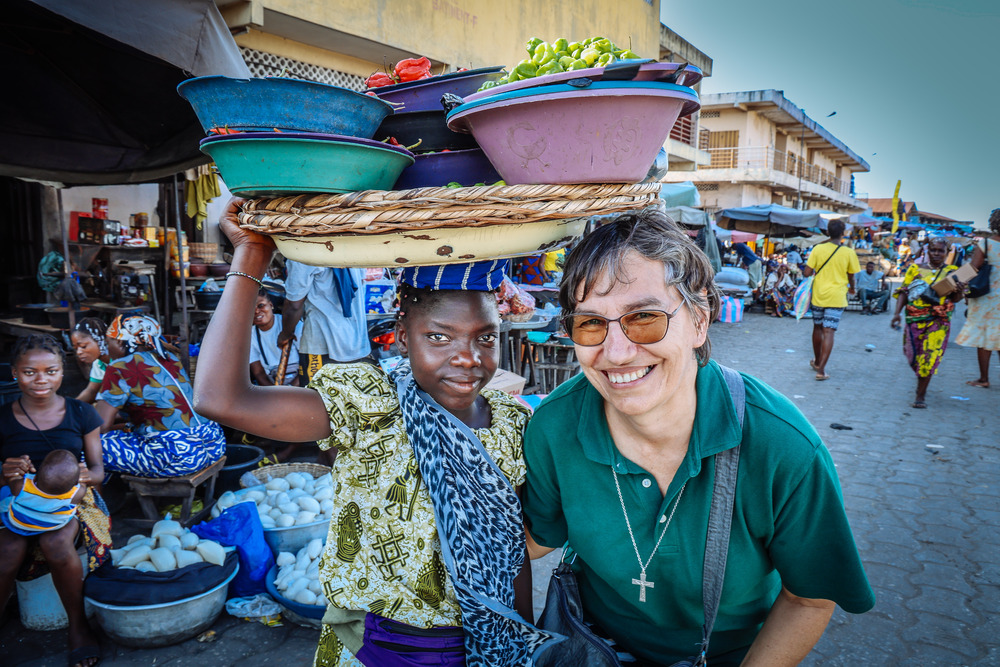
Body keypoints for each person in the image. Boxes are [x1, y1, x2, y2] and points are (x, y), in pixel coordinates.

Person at [193, 199, 547, 666]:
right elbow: (220, 399)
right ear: (402, 335)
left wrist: (519, 647)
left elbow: (511, 551)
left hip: (485, 646)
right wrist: (251, 256)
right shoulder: (369, 405)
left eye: (485, 337)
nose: (468, 357)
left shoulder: (511, 423)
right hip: (376, 647)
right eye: (439, 337)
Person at [522, 210, 874, 666]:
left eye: (644, 317)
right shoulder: (555, 425)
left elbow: (808, 598)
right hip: (591, 647)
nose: (617, 352)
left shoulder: (782, 447)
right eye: (590, 323)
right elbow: (535, 538)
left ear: (700, 320)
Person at [0, 334, 106, 667]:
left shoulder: (81, 413)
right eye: (29, 372)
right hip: (15, 498)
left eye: (51, 371)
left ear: (62, 372)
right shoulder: (2, 417)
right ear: (14, 373)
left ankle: (78, 626)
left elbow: (99, 471)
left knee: (56, 542)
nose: (41, 380)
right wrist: (5, 472)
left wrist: (85, 476)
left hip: (70, 499)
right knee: (7, 549)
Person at [95, 315, 225, 477]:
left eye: (109, 343)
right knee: (125, 434)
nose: (107, 349)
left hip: (178, 456)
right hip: (213, 444)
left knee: (90, 446)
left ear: (121, 342)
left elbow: (100, 427)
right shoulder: (170, 359)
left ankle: (97, 493)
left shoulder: (120, 367)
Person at [890, 238, 964, 408]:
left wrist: (959, 291)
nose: (936, 254)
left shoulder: (953, 272)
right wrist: (896, 314)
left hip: (939, 321)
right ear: (927, 251)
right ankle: (921, 380)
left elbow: (955, 299)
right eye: (933, 250)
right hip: (914, 319)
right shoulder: (915, 269)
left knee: (930, 356)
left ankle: (920, 395)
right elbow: (904, 292)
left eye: (940, 251)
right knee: (912, 355)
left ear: (947, 253)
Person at [278, 260, 369, 384]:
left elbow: (293, 305)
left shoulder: (301, 253)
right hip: (357, 344)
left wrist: (285, 334)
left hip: (322, 347)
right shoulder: (351, 249)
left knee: (316, 395)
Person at [802, 219, 860, 380]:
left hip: (819, 295)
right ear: (843, 233)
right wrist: (852, 288)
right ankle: (821, 370)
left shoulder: (818, 249)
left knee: (817, 327)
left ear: (827, 232)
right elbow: (851, 276)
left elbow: (807, 273)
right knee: (829, 331)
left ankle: (817, 361)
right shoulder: (849, 252)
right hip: (837, 296)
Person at [955, 208, 1000, 389]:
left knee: (984, 337)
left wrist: (953, 283)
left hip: (987, 299)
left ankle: (984, 379)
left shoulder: (986, 244)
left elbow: (971, 270)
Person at [2, 449, 85, 534]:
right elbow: (82, 485)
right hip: (53, 525)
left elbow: (11, 479)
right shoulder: (78, 493)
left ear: (35, 477)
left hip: (18, 522)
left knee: (5, 491)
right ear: (76, 482)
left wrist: (23, 471)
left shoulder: (21, 485)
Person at [250, 289, 302, 386]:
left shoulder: (292, 324)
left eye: (261, 305)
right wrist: (275, 393)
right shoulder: (250, 336)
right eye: (251, 308)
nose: (256, 311)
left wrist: (291, 389)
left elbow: (308, 364)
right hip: (272, 386)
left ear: (271, 305)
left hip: (301, 382)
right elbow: (259, 373)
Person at [70, 318, 110, 404]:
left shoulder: (121, 361)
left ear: (100, 340)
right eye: (76, 348)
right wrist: (70, 407)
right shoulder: (98, 363)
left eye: (83, 346)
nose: (78, 352)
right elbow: (91, 391)